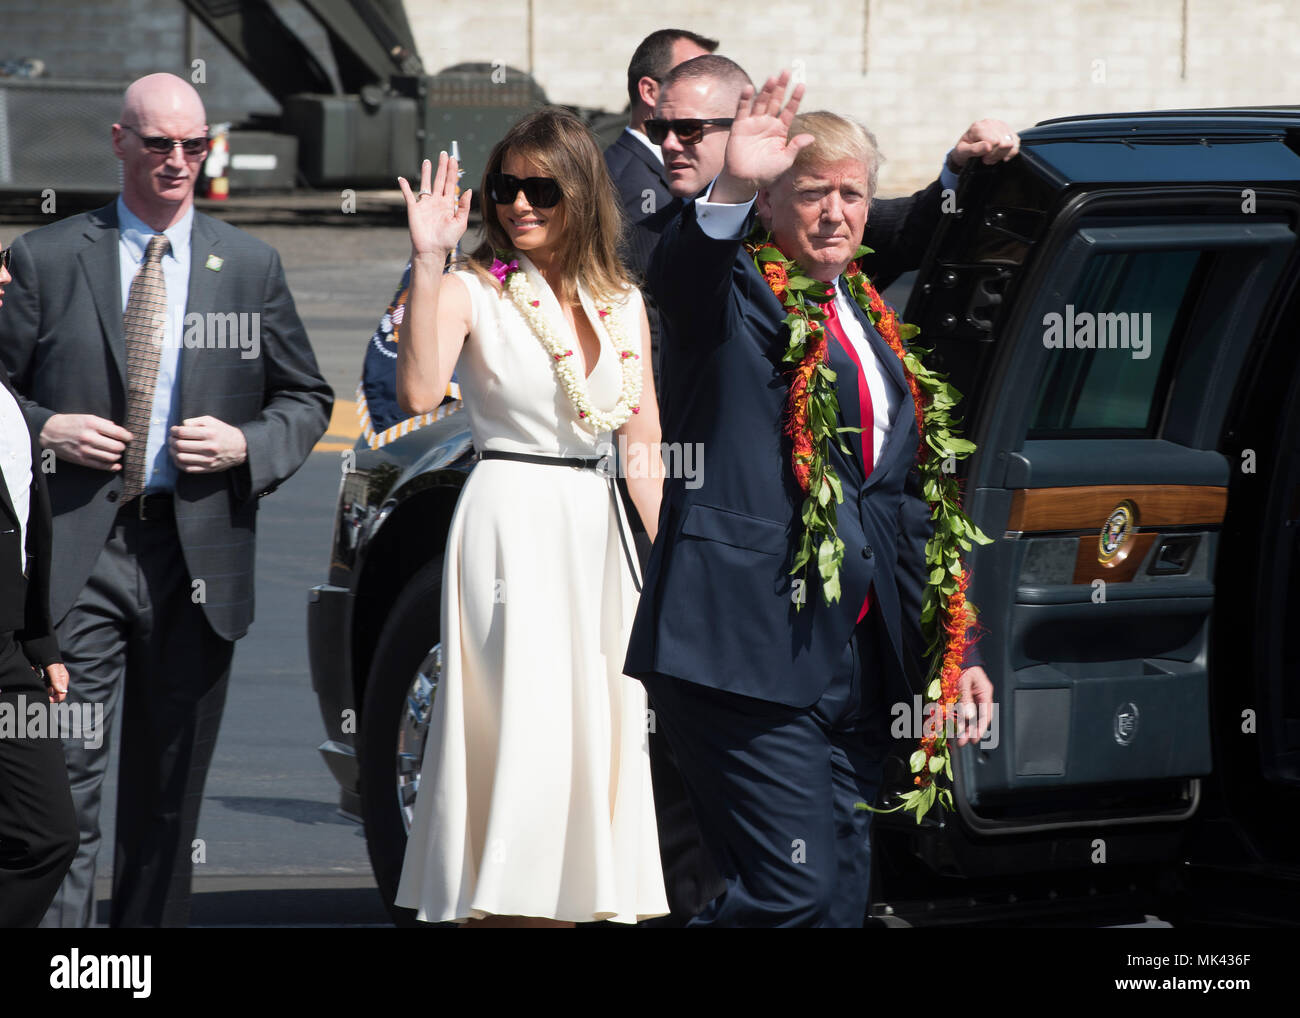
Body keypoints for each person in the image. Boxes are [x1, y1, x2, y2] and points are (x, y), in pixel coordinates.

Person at [625, 72, 995, 927]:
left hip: (856, 660)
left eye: (850, 194)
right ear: (767, 204)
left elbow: (902, 506)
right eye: (810, 193)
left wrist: (955, 648)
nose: (834, 212)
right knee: (786, 893)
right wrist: (728, 186)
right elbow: (681, 273)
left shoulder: (868, 317)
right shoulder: (730, 299)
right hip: (741, 653)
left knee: (835, 899)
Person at [0, 73, 332, 927]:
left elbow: (306, 398)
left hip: (196, 557)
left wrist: (246, 446)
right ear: (120, 142)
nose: (180, 160)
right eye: (160, 145)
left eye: (195, 144)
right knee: (66, 789)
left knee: (168, 791)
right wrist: (46, 428)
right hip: (80, 558)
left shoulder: (249, 266)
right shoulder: (46, 257)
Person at [392, 107, 669, 926]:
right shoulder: (474, 290)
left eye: (540, 188)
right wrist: (428, 259)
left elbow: (644, 444)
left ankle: (570, 905)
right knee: (525, 735)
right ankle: (503, 906)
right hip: (510, 522)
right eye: (505, 187)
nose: (518, 204)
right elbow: (415, 393)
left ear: (579, 193)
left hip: (597, 531)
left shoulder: (621, 299)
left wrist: (674, 564)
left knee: (590, 730)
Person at [651, 54, 1020, 291]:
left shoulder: (833, 227)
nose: (668, 144)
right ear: (767, 202)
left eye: (688, 129)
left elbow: (913, 228)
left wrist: (960, 166)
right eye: (657, 130)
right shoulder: (642, 223)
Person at [0, 239, 78, 928]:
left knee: (46, 834)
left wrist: (40, 638)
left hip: (9, 658)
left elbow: (26, 522)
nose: (3, 274)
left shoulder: (8, 399)